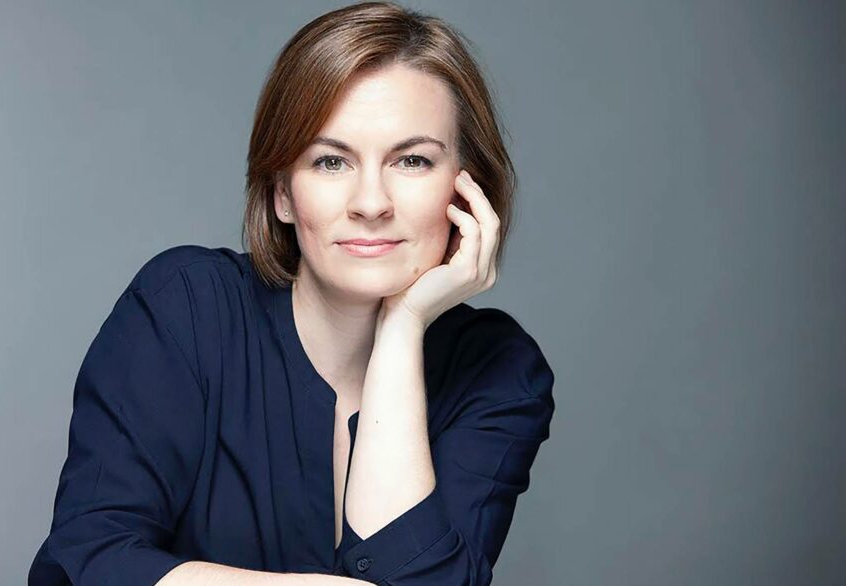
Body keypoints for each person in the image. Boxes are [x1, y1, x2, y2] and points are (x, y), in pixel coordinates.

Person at [28, 2, 555, 585]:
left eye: (412, 160)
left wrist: (403, 325)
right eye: (331, 162)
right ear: (282, 192)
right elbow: (91, 558)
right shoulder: (186, 309)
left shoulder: (498, 370)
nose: (371, 203)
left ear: (466, 187)